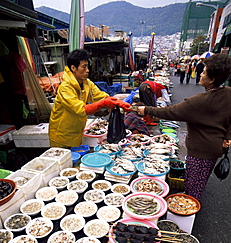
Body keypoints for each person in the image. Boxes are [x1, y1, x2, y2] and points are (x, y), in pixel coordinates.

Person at [137, 53, 231, 200]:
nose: (200, 74)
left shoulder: (200, 101)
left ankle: (189, 210)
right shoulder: (228, 93)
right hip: (215, 147)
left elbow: (171, 112)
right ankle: (194, 198)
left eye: (204, 72)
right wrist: (227, 136)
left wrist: (146, 110)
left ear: (212, 79)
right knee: (201, 179)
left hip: (200, 151)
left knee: (193, 186)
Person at [49, 49, 130, 148]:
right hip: (61, 136)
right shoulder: (65, 88)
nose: (87, 70)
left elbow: (101, 96)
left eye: (87, 66)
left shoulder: (86, 83)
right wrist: (104, 103)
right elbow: (81, 110)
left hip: (76, 132)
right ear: (73, 68)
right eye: (84, 67)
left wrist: (118, 102)